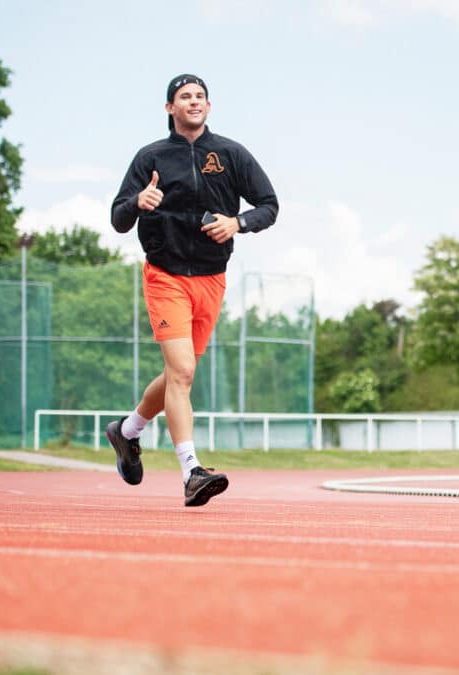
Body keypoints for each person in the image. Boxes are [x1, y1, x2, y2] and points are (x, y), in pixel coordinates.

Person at [108, 74, 279, 506]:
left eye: (200, 96)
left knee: (176, 374)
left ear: (208, 105)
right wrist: (137, 204)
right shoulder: (151, 157)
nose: (194, 102)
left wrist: (237, 222)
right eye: (185, 97)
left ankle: (127, 431)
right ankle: (191, 471)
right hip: (165, 274)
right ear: (170, 108)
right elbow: (118, 217)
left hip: (211, 278)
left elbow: (269, 206)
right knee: (182, 372)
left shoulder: (230, 154)